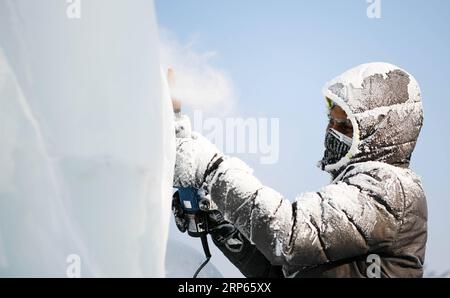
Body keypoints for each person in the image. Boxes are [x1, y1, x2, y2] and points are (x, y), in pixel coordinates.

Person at [172, 62, 427, 278]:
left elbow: (289, 235)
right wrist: (222, 223)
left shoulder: (391, 190)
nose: (332, 131)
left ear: (378, 134)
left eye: (345, 126)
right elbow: (276, 272)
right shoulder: (359, 194)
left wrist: (213, 170)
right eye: (332, 120)